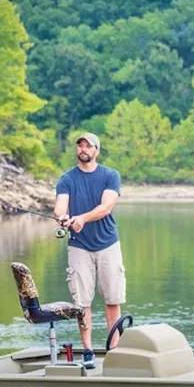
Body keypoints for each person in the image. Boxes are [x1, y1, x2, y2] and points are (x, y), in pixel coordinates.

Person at [54, 132, 126, 369]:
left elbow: (106, 207)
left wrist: (82, 218)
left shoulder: (110, 175)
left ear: (97, 150)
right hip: (79, 246)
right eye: (80, 145)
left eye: (88, 145)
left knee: (112, 300)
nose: (83, 149)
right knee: (82, 303)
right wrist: (63, 218)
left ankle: (114, 348)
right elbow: (60, 207)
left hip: (108, 244)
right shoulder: (67, 179)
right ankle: (86, 350)